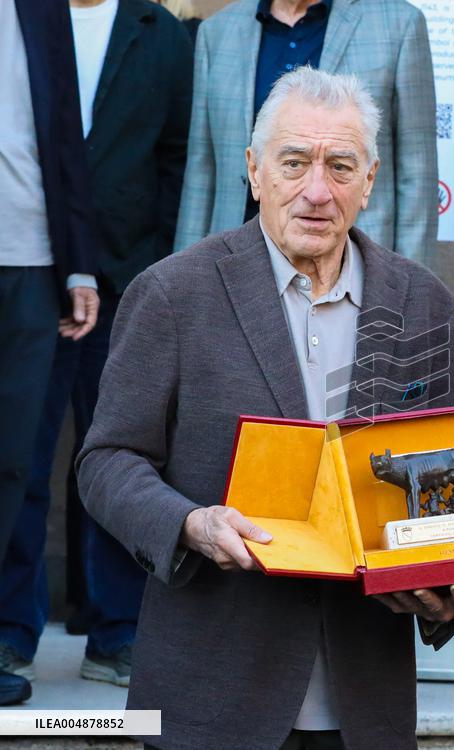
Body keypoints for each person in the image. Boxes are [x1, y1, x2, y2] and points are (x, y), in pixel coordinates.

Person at [77, 68, 454, 750]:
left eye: (340, 166)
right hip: (211, 698)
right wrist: (189, 525)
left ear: (371, 178)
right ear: (255, 171)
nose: (317, 191)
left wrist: (453, 589)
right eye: (294, 163)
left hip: (364, 705)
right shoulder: (174, 294)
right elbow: (108, 461)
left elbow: (448, 486)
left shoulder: (425, 305)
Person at [0, 0, 193, 691]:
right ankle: (10, 631)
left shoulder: (163, 33)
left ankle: (118, 633)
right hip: (36, 274)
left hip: (130, 287)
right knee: (17, 462)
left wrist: (161, 269)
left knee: (124, 461)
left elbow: (178, 155)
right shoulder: (23, 18)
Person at [0, 0, 100, 706]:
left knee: (11, 462)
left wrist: (79, 266)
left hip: (31, 264)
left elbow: (65, 137)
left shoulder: (41, 7)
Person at [173, 0, 438, 263]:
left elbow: (416, 173)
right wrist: (185, 278)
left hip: (352, 261)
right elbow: (202, 170)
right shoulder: (217, 31)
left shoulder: (399, 24)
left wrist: (408, 290)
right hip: (236, 260)